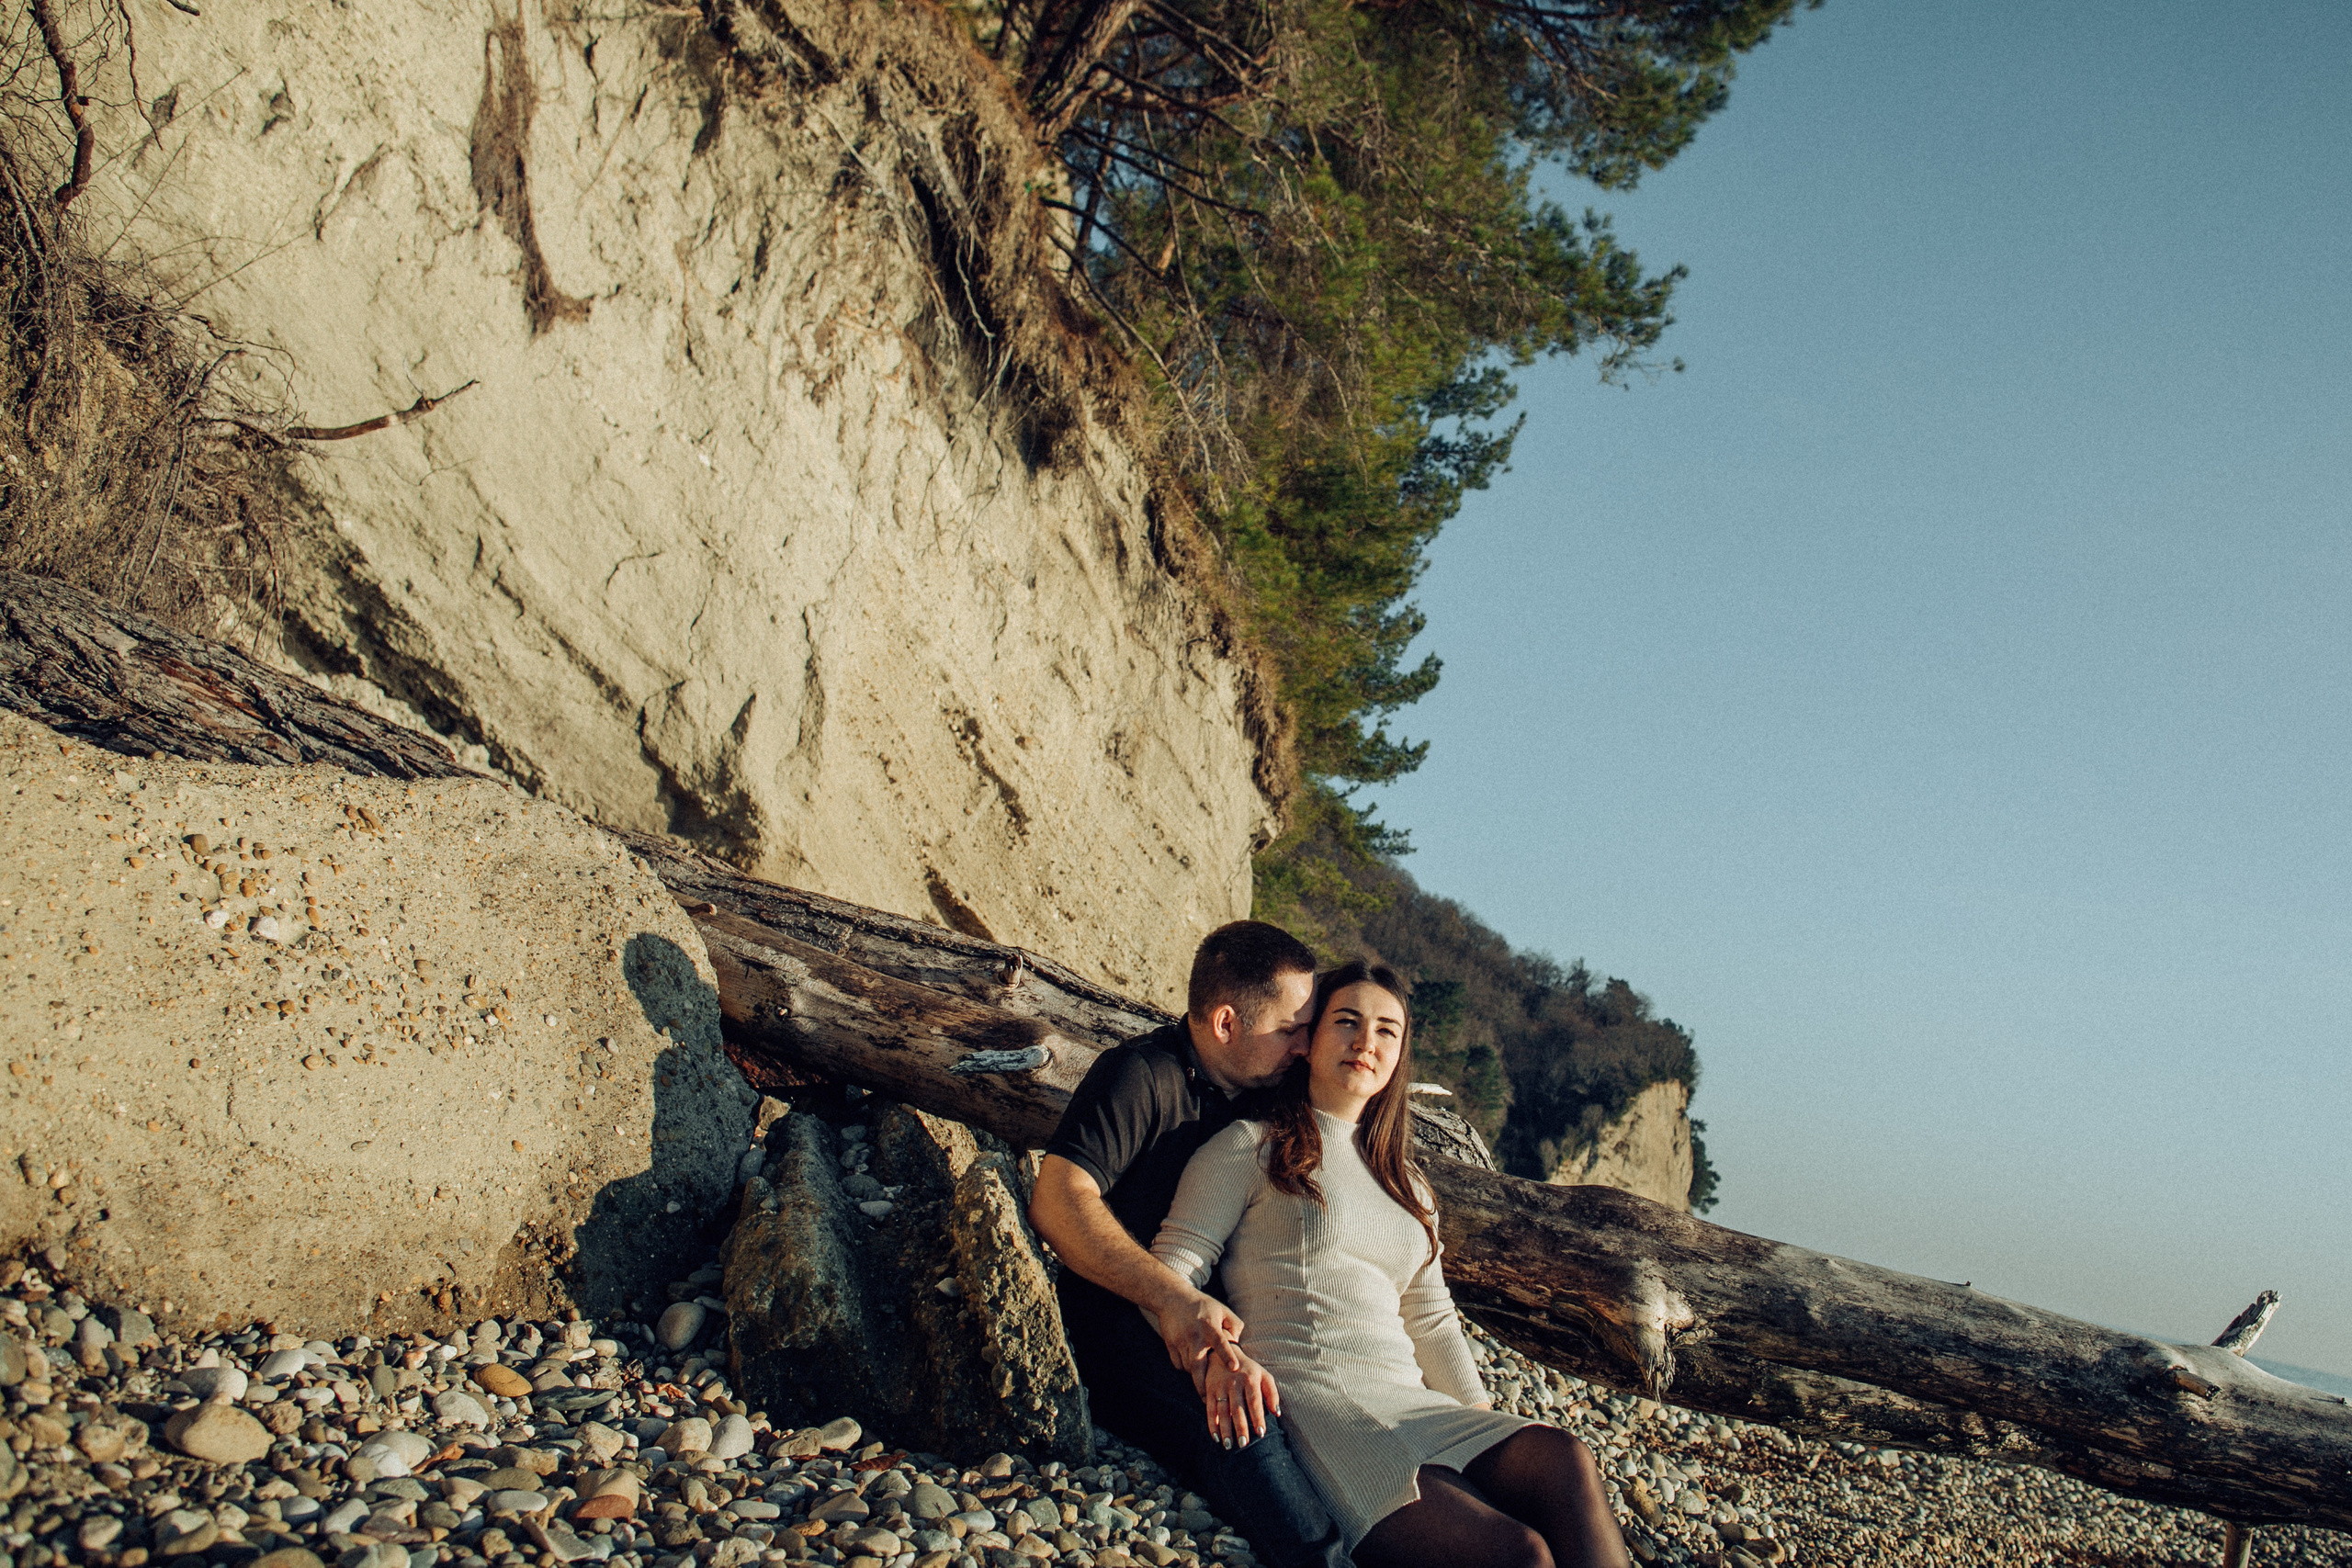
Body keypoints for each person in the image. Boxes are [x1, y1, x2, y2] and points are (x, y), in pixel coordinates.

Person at [1150, 960, 1631, 1568]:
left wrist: (1480, 1423)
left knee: (1565, 1456)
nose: (1364, 1042)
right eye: (1346, 1021)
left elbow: (1430, 1318)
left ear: (1400, 1052)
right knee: (1520, 1552)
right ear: (1310, 1039)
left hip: (1413, 1403)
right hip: (1324, 1405)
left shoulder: (1408, 1183)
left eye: (1385, 1030)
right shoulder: (1251, 1146)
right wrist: (1216, 1355)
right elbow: (1171, 1270)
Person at [1030, 920, 1350, 1568]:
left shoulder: (1279, 1092)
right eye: (1290, 1029)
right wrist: (1172, 1298)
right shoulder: (1141, 1076)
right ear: (1227, 1023)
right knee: (1244, 1416)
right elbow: (1058, 1199)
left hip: (1249, 1315)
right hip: (1127, 1327)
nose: (1302, 1045)